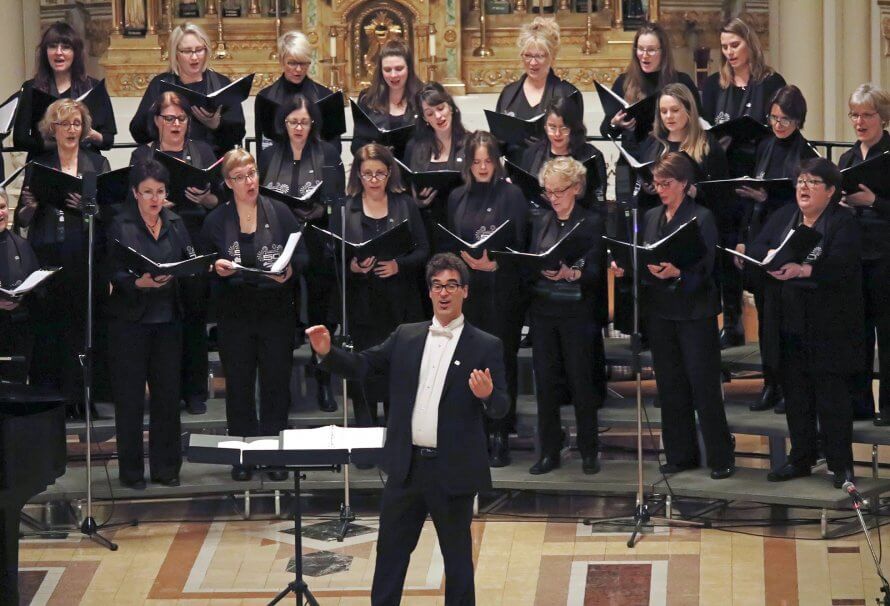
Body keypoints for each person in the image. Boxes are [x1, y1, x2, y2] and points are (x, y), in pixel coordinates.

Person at [306, 252, 509, 606]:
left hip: (451, 470)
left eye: (451, 285)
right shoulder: (406, 336)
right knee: (390, 556)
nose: (443, 293)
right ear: (429, 292)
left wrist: (487, 395)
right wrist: (328, 353)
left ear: (465, 291)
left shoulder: (485, 345)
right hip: (407, 467)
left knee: (458, 562)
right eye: (437, 286)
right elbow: (363, 365)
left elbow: (502, 407)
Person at [615, 152, 735, 480]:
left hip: (695, 312)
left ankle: (720, 455)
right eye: (656, 184)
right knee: (670, 385)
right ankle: (681, 454)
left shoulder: (702, 217)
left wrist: (679, 273)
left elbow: (708, 267)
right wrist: (628, 265)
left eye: (666, 183)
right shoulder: (651, 215)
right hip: (661, 311)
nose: (660, 190)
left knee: (703, 385)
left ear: (683, 183)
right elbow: (643, 255)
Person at [749, 158, 863, 488]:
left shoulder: (842, 222)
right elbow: (757, 245)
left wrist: (804, 269)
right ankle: (801, 457)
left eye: (813, 182)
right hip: (788, 320)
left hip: (829, 325)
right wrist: (769, 257)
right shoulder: (785, 215)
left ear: (830, 191)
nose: (804, 187)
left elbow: (843, 264)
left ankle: (840, 465)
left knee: (831, 398)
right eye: (801, 181)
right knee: (796, 395)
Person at [200, 149, 307, 482]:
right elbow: (202, 261)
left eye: (252, 173)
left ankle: (275, 455)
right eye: (240, 177)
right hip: (235, 313)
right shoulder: (216, 219)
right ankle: (243, 455)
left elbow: (302, 256)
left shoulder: (280, 212)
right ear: (228, 183)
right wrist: (214, 267)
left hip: (275, 310)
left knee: (276, 384)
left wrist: (289, 272)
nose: (249, 181)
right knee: (239, 386)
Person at [105, 160, 198, 489]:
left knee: (167, 397)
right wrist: (137, 282)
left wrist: (186, 269)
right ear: (135, 193)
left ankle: (166, 468)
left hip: (168, 319)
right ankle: (131, 472)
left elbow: (190, 258)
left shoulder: (175, 222)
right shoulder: (121, 224)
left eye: (160, 191)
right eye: (148, 192)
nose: (155, 198)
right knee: (130, 399)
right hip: (130, 322)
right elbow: (111, 270)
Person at [15, 99, 111, 416]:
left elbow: (111, 213)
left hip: (85, 254)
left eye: (76, 124)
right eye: (64, 124)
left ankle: (84, 398)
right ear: (52, 129)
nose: (71, 130)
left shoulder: (97, 164)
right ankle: (54, 398)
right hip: (48, 254)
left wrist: (89, 209)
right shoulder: (38, 164)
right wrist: (30, 207)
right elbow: (23, 219)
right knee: (51, 327)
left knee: (84, 326)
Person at [130, 91, 220, 415]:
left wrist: (205, 198)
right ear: (157, 121)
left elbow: (218, 200)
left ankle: (195, 391)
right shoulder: (143, 154)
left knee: (194, 316)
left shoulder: (202, 151)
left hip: (193, 235)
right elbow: (131, 199)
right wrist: (155, 203)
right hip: (155, 239)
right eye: (169, 118)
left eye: (181, 118)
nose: (176, 124)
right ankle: (166, 391)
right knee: (164, 320)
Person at [329, 143, 430, 427]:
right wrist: (352, 267)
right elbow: (332, 256)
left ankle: (397, 435)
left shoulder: (405, 204)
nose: (374, 180)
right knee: (363, 372)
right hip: (363, 305)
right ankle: (366, 433)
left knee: (398, 374)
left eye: (380, 174)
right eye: (367, 174)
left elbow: (423, 250)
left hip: (400, 304)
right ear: (358, 175)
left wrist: (399, 264)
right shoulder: (345, 209)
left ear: (389, 173)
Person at [701, 17, 787, 349]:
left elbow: (781, 125)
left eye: (734, 45)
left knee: (758, 247)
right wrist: (716, 143)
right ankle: (732, 321)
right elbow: (706, 127)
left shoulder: (771, 81)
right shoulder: (715, 85)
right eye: (724, 47)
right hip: (726, 175)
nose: (729, 52)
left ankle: (767, 328)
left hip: (760, 172)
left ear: (750, 43)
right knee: (726, 248)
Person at [258, 93, 345, 413]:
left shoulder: (327, 152)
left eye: (304, 122)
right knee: (282, 314)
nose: (298, 128)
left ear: (313, 124)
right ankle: (281, 387)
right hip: (279, 240)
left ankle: (323, 381)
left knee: (321, 316)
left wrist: (320, 209)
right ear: (283, 123)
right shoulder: (269, 156)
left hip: (318, 240)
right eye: (293, 121)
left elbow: (338, 198)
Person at [733, 85, 817, 413]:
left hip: (788, 241)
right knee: (767, 321)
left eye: (785, 119)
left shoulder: (805, 153)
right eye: (773, 118)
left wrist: (767, 197)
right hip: (761, 237)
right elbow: (753, 195)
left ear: (798, 120)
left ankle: (791, 388)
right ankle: (770, 384)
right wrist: (743, 239)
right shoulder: (766, 145)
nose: (778, 125)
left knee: (789, 323)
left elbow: (804, 203)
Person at [445, 131, 526, 466]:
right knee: (468, 361)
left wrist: (495, 263)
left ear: (496, 162)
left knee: (501, 361)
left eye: (488, 161)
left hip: (501, 291)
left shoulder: (512, 194)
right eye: (476, 162)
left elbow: (521, 245)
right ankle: (473, 433)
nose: (482, 167)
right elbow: (451, 241)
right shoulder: (457, 197)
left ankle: (500, 433)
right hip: (469, 292)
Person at [527, 157, 606, 476]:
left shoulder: (591, 221)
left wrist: (572, 273)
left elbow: (596, 269)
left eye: (559, 191)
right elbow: (531, 258)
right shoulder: (541, 220)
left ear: (575, 188)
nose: (553, 197)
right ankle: (549, 451)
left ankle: (589, 450)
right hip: (544, 310)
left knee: (581, 380)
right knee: (546, 383)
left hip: (577, 312)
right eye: (548, 192)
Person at [837, 84, 890, 425]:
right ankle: (860, 404)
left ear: (882, 117)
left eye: (866, 115)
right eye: (854, 115)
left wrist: (874, 202)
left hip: (885, 254)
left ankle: (889, 407)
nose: (859, 122)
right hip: (855, 254)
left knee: (887, 334)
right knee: (856, 332)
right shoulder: (847, 159)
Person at [129, 22, 246, 155]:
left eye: (199, 50)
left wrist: (216, 125)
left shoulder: (221, 84)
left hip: (212, 159)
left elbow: (238, 135)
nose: (194, 57)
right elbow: (138, 133)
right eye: (187, 51)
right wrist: (156, 117)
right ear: (175, 53)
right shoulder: (160, 84)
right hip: (170, 160)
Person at [13, 21, 116, 160]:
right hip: (45, 163)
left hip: (84, 163)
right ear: (45, 52)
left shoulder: (93, 87)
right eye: (52, 46)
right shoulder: (31, 88)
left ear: (75, 53)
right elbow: (20, 139)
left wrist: (91, 134)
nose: (58, 52)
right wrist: (57, 142)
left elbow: (108, 140)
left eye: (66, 47)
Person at [599, 22, 700, 153]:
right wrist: (615, 124)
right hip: (632, 159)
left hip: (669, 157)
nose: (645, 55)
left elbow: (698, 122)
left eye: (651, 50)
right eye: (640, 49)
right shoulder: (624, 82)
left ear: (663, 52)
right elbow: (605, 132)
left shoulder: (681, 81)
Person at [495, 17, 582, 161]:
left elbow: (576, 142)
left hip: (554, 170)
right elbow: (498, 145)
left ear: (552, 57)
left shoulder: (568, 94)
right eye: (528, 56)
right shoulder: (509, 94)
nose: (533, 62)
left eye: (540, 56)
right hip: (515, 170)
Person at [403, 82, 469, 251]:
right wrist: (417, 200)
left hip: (462, 225)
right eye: (430, 113)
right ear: (425, 118)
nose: (438, 116)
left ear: (451, 107)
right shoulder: (414, 147)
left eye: (441, 108)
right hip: (427, 226)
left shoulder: (471, 144)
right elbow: (405, 190)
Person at [254, 30, 341, 152]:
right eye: (292, 63)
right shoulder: (265, 98)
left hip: (317, 161)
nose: (299, 69)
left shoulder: (326, 97)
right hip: (279, 162)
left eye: (303, 63)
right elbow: (263, 149)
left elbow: (334, 148)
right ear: (281, 61)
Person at [521, 95, 608, 212]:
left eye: (564, 128)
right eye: (552, 127)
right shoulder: (532, 154)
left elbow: (598, 201)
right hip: (540, 218)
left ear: (573, 128)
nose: (557, 134)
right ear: (545, 127)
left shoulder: (591, 156)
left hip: (581, 218)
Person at [350, 40, 422, 157]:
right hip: (378, 165)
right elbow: (356, 144)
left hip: (415, 164)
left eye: (399, 69)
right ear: (380, 71)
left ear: (409, 68)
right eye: (387, 70)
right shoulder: (367, 98)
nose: (393, 75)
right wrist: (374, 150)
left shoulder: (423, 96)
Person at [0, 189, 40, 384]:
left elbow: (37, 287)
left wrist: (22, 295)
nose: (0, 213)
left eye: (2, 207)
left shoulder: (21, 245)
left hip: (16, 328)